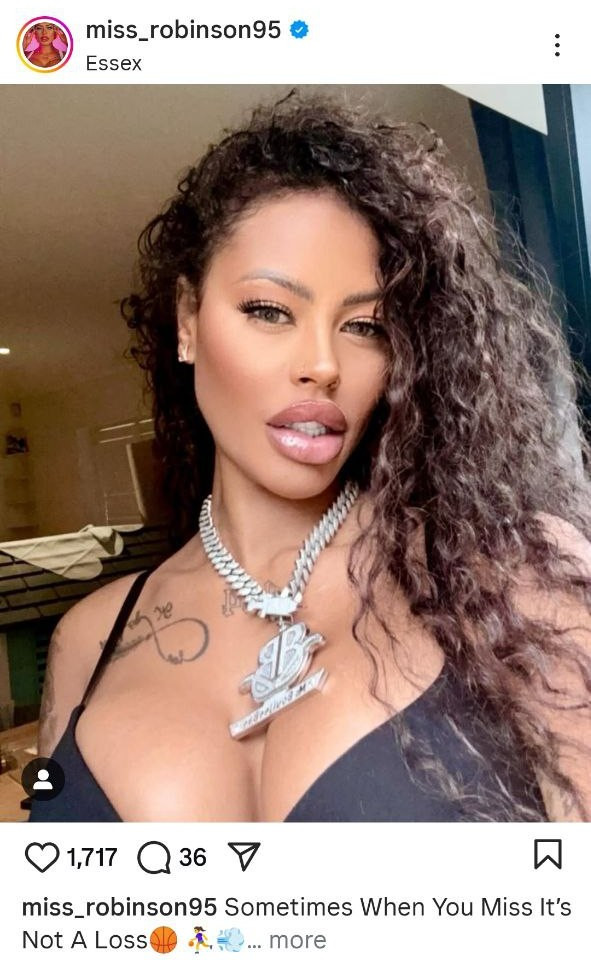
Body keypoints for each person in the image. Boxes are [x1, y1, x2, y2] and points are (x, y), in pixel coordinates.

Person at [31, 93, 591, 823]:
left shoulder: (514, 585)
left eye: (365, 326)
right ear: (188, 320)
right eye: (269, 311)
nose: (323, 365)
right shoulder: (88, 641)